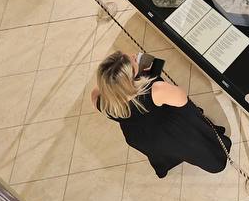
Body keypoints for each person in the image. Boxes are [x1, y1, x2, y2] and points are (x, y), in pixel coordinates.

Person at [93, 50, 233, 179]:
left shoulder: (99, 98)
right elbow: (182, 99)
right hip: (168, 132)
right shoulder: (156, 90)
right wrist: (145, 64)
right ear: (130, 80)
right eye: (133, 61)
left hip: (140, 137)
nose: (134, 56)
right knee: (208, 156)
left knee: (163, 151)